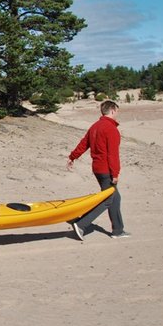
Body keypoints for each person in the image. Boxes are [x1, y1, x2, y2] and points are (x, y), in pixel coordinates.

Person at [66, 100, 131, 241]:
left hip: (97, 168)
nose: (117, 115)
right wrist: (115, 174)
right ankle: (81, 223)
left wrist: (73, 156)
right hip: (106, 169)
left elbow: (83, 144)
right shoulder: (111, 129)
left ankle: (118, 230)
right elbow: (112, 154)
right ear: (112, 111)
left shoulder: (95, 126)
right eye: (117, 112)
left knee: (115, 197)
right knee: (109, 198)